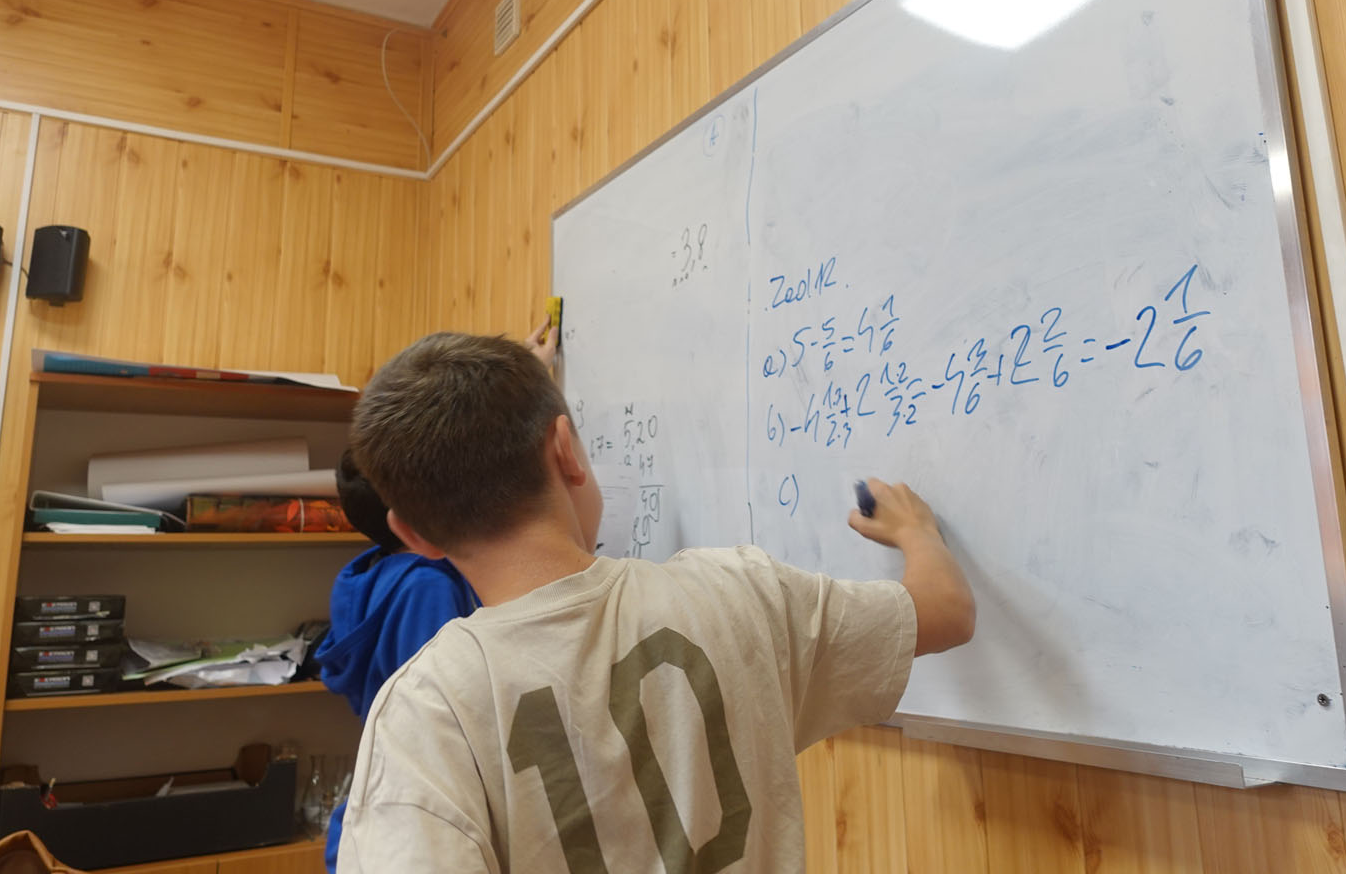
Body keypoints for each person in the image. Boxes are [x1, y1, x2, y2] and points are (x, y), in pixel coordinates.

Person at [337, 332, 975, 872]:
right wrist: (916, 533)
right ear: (565, 451)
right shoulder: (740, 593)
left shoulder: (425, 711)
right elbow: (945, 612)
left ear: (413, 536)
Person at [316, 322, 557, 872]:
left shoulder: (370, 573)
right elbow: (464, 713)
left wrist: (521, 390)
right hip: (416, 827)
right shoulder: (427, 590)